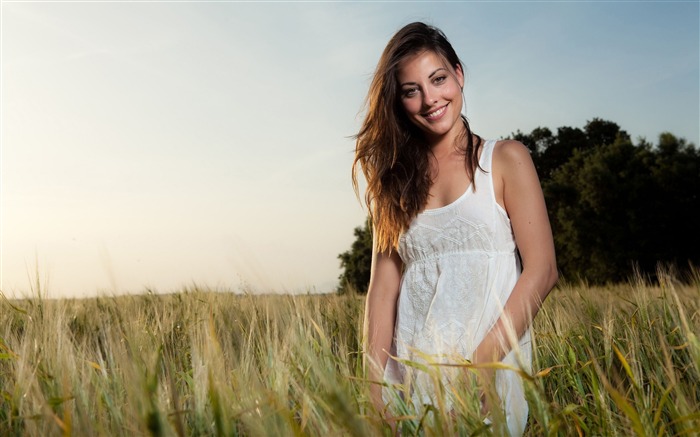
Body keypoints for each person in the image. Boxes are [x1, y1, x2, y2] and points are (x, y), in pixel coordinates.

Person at [352, 22, 558, 435]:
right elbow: (383, 290)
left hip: (488, 366)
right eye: (412, 90)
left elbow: (543, 269)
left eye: (438, 79)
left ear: (459, 75)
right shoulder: (392, 182)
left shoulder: (505, 159)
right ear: (399, 100)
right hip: (411, 374)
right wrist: (374, 390)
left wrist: (484, 362)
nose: (430, 99)